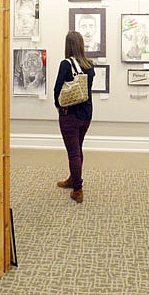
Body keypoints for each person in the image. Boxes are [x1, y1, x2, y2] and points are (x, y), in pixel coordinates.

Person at [54, 31, 95, 203]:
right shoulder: (89, 65)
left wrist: (58, 107)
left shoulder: (65, 64)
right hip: (86, 114)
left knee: (73, 153)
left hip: (69, 114)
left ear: (67, 45)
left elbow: (57, 90)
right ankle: (73, 178)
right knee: (77, 148)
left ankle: (78, 189)